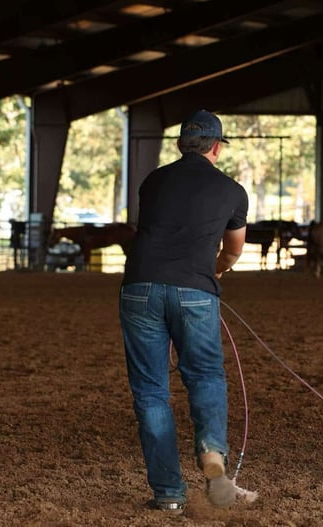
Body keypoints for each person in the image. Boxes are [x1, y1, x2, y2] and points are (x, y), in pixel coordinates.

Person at [119, 109, 250, 512]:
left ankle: (168, 494)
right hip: (195, 289)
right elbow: (233, 249)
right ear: (216, 147)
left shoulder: (153, 181)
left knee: (150, 391)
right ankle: (211, 452)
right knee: (206, 375)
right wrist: (218, 269)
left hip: (139, 287)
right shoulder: (232, 190)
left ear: (180, 144)